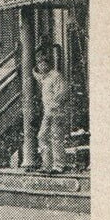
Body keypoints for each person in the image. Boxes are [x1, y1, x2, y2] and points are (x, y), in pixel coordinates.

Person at [35, 46, 70, 174]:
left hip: (57, 112)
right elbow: (36, 74)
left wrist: (54, 105)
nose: (41, 66)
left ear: (48, 64)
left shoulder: (56, 76)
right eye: (39, 64)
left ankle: (59, 165)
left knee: (56, 137)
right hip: (48, 113)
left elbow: (63, 92)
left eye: (43, 63)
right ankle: (47, 165)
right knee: (42, 136)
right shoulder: (44, 78)